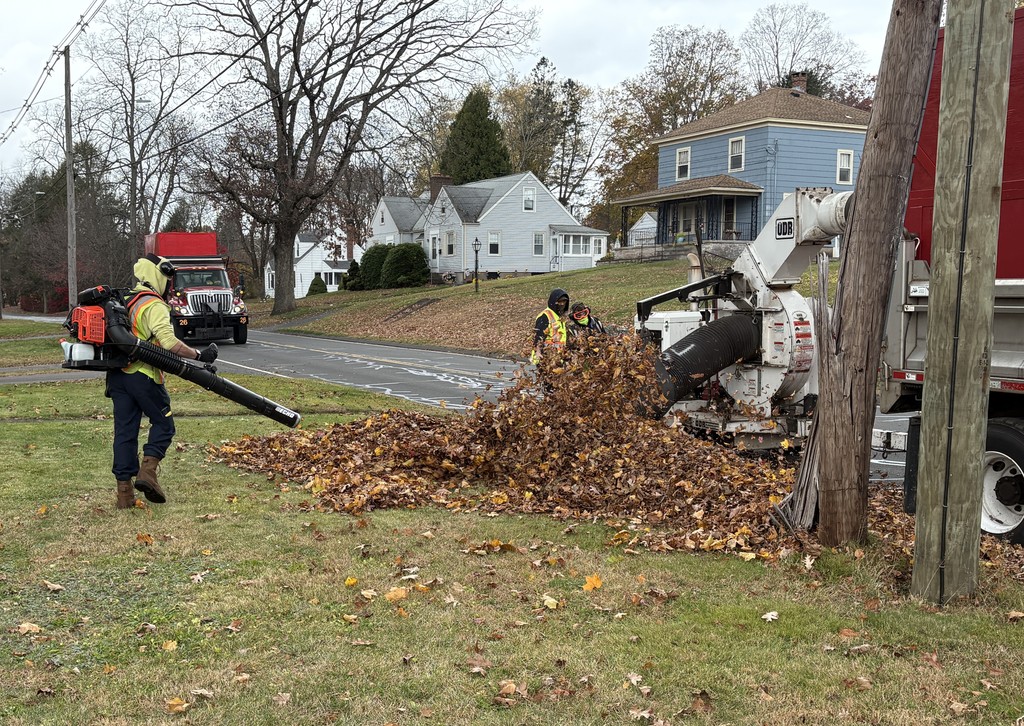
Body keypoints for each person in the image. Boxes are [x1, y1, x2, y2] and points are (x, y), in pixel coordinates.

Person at [107, 253, 217, 509]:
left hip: (118, 376)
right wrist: (199, 355)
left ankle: (124, 495)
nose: (169, 286)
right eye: (168, 280)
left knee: (125, 432)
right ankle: (148, 473)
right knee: (164, 425)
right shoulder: (153, 304)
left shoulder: (127, 300)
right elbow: (168, 342)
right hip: (144, 375)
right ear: (159, 277)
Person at [531, 288, 569, 364]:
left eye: (564, 301)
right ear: (553, 302)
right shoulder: (545, 316)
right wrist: (538, 352)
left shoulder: (560, 316)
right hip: (546, 357)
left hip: (557, 358)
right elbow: (538, 336)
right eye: (559, 301)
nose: (562, 304)